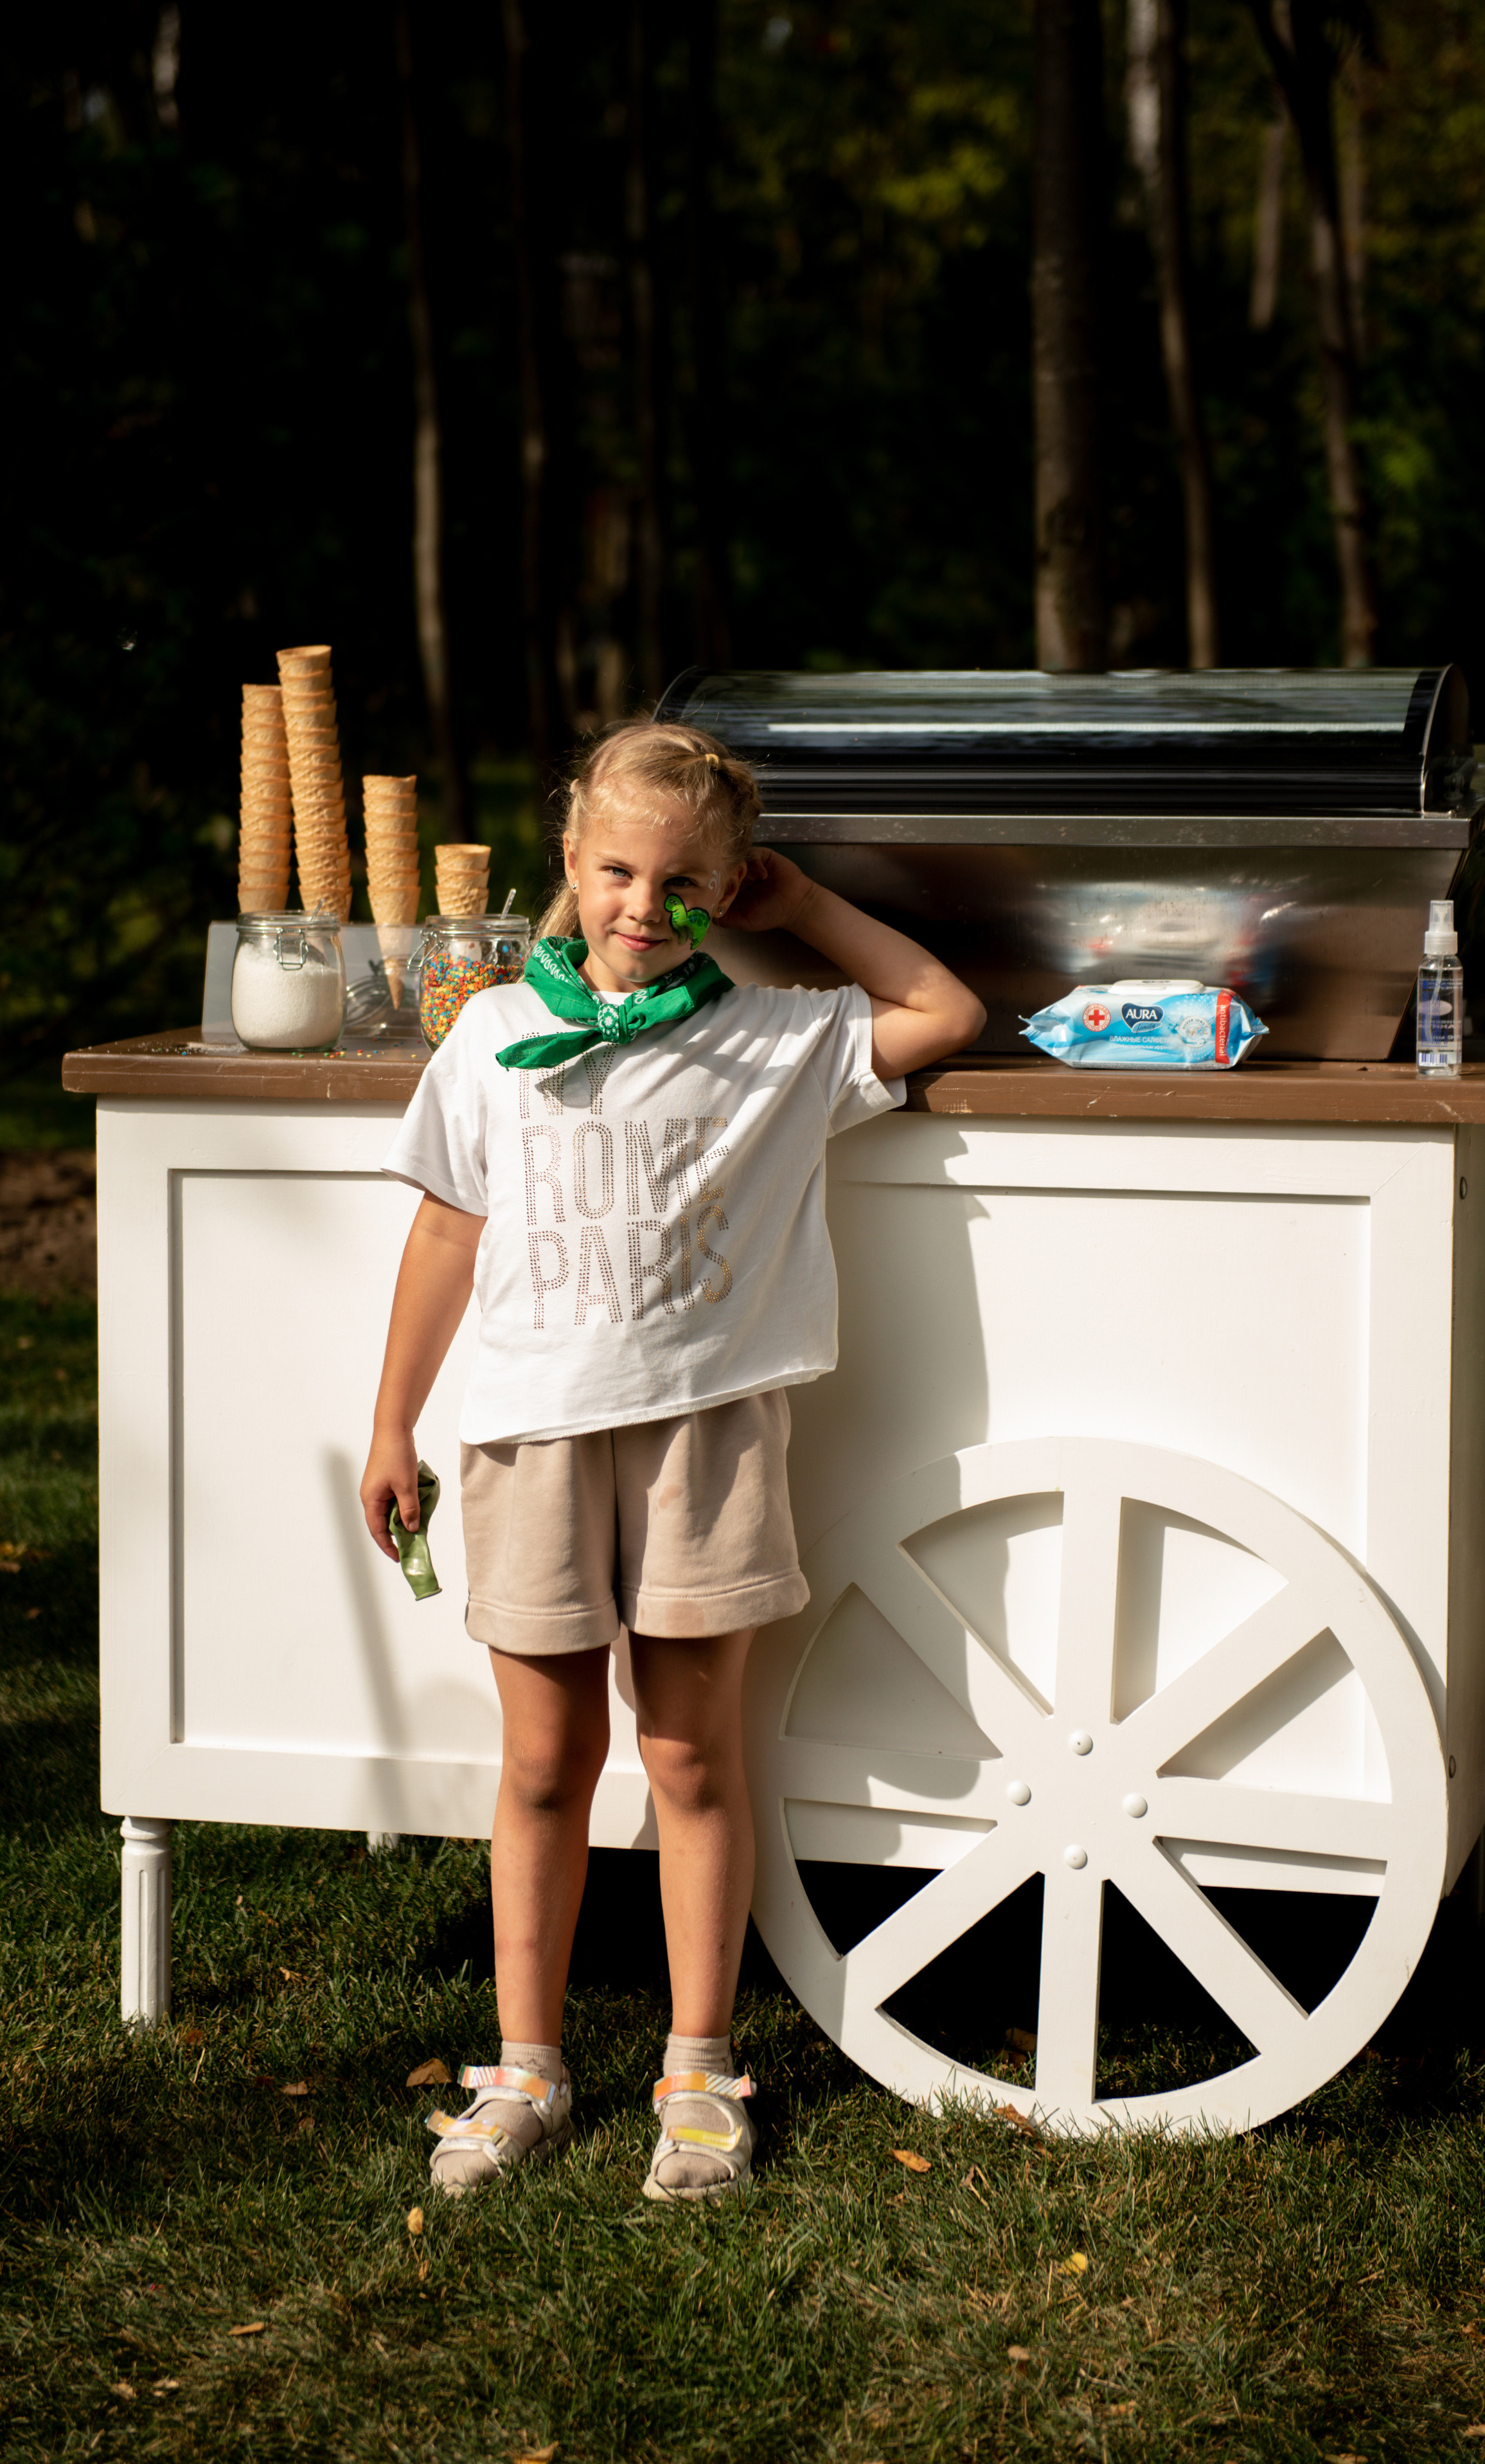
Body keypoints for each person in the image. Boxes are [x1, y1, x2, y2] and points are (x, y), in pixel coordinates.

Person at [359, 719, 984, 2202]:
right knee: (541, 1761)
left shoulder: (776, 1039)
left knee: (694, 1757)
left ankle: (698, 2073)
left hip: (704, 1443)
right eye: (619, 871)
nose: (647, 905)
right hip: (527, 1440)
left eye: (688, 882)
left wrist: (804, 908)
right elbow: (447, 1227)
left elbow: (942, 1009)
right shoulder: (490, 1034)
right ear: (565, 869)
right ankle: (524, 2066)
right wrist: (391, 1418)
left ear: (730, 885)